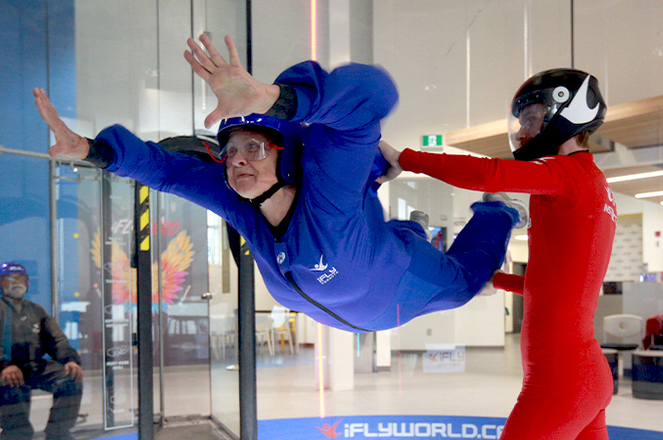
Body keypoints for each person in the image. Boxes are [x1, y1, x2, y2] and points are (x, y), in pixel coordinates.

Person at [380, 70, 663, 440]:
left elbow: (488, 175)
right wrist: (499, 280)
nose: (524, 129)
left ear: (568, 116)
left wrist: (401, 157)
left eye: (534, 116)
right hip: (582, 374)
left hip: (562, 379)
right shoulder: (589, 186)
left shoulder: (567, 173)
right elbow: (560, 280)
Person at [32, 33, 522, 333]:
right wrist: (91, 151)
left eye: (255, 147)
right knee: (375, 215)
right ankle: (394, 208)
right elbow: (169, 170)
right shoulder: (238, 200)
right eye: (231, 150)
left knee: (464, 284)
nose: (238, 160)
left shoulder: (324, 197)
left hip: (398, 287)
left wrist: (277, 99)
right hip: (346, 292)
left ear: (287, 159)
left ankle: (496, 212)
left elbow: (374, 94)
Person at [0, 262, 83, 440]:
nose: (16, 283)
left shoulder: (36, 310)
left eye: (21, 279)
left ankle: (58, 432)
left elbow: (56, 339)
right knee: (13, 385)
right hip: (4, 369)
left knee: (70, 378)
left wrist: (69, 360)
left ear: (27, 282)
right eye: (9, 279)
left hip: (35, 365)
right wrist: (3, 365)